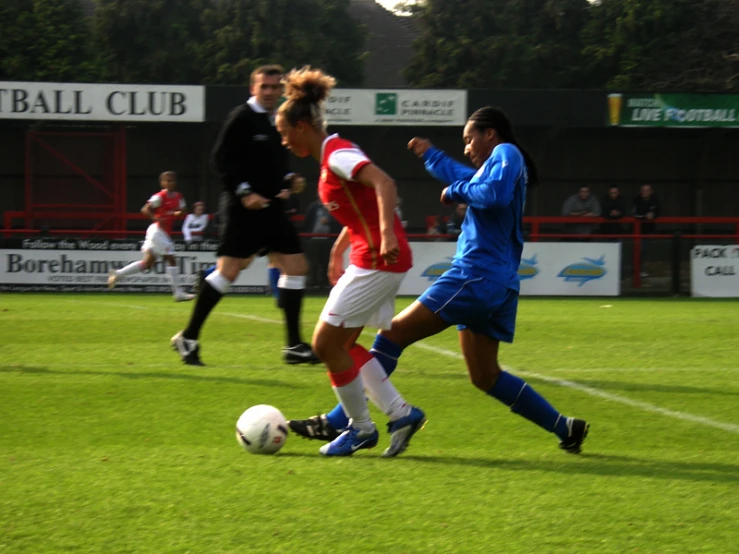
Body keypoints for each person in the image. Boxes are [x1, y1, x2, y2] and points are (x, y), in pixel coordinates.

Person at [289, 107, 589, 455]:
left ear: (490, 134)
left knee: (391, 335)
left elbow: (491, 195)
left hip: (476, 275)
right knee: (485, 376)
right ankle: (564, 427)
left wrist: (456, 191)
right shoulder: (497, 165)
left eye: (469, 138)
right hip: (500, 284)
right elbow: (467, 178)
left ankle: (342, 421)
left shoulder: (507, 153)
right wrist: (432, 157)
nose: (467, 147)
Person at [276, 66, 426, 457]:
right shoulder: (332, 155)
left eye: (285, 132)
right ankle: (401, 413)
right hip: (370, 258)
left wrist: (389, 235)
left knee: (325, 344)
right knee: (343, 344)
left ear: (303, 125)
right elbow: (358, 205)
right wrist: (339, 247)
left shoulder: (337, 154)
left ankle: (361, 429)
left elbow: (384, 183)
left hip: (378, 260)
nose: (284, 141)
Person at [171, 64, 319, 366]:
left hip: (272, 208)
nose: (270, 92)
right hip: (242, 210)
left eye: (276, 87)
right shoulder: (241, 117)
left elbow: (274, 164)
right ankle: (188, 337)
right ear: (253, 89)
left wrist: (290, 179)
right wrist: (243, 192)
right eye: (264, 86)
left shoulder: (279, 120)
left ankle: (293, 345)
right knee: (229, 272)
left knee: (296, 266)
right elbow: (220, 160)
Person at [108, 171, 194, 302]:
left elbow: (183, 212)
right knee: (171, 259)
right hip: (157, 231)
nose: (170, 183)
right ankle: (178, 293)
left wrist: (179, 213)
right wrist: (156, 218)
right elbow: (144, 209)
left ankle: (118, 273)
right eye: (168, 180)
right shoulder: (159, 197)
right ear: (162, 183)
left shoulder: (178, 197)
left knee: (147, 264)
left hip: (163, 233)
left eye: (173, 180)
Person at [303, 191, 342, 289]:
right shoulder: (313, 207)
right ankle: (312, 283)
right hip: (313, 239)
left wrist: (329, 221)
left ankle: (324, 283)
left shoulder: (333, 206)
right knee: (313, 262)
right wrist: (308, 235)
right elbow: (307, 221)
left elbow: (340, 220)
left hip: (328, 238)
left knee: (326, 262)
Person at [632, 183, 660, 277]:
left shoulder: (655, 200)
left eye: (647, 190)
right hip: (637, 230)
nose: (645, 192)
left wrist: (653, 214)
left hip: (649, 229)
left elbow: (658, 211)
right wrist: (645, 216)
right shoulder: (637, 200)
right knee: (638, 250)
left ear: (651, 191)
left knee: (645, 250)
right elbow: (635, 214)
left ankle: (640, 270)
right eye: (643, 190)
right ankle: (635, 271)